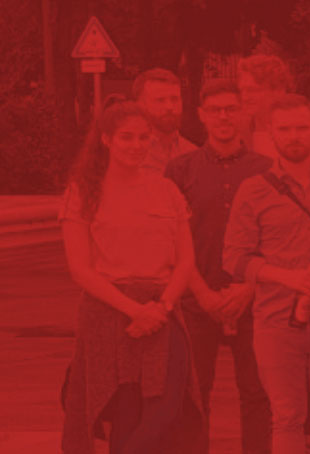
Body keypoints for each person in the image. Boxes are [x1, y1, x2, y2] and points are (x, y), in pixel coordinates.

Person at [222, 94, 310, 454]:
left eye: (302, 128)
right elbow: (234, 258)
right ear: (271, 133)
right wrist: (282, 277)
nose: (294, 136)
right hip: (275, 320)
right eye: (285, 129)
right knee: (286, 417)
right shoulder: (253, 190)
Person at [59, 104, 199, 454]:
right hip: (109, 313)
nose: (136, 145)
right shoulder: (83, 192)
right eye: (126, 137)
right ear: (106, 140)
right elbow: (80, 269)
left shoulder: (166, 190)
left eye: (143, 137)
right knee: (126, 410)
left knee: (167, 409)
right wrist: (134, 311)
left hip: (163, 310)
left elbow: (186, 261)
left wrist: (161, 308)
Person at [164, 78, 275, 454]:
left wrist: (249, 288)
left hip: (256, 300)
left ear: (244, 112)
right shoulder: (179, 170)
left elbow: (277, 237)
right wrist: (202, 293)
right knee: (195, 395)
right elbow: (172, 240)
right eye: (215, 110)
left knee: (258, 394)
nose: (224, 117)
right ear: (201, 115)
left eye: (231, 108)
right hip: (196, 299)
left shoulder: (267, 169)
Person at [132, 68, 197, 172]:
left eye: (174, 99)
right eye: (160, 100)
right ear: (140, 105)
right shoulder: (128, 153)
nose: (169, 107)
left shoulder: (192, 154)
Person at [239, 54, 296, 161]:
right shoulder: (237, 132)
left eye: (252, 90)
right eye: (242, 90)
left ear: (278, 91)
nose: (245, 97)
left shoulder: (299, 130)